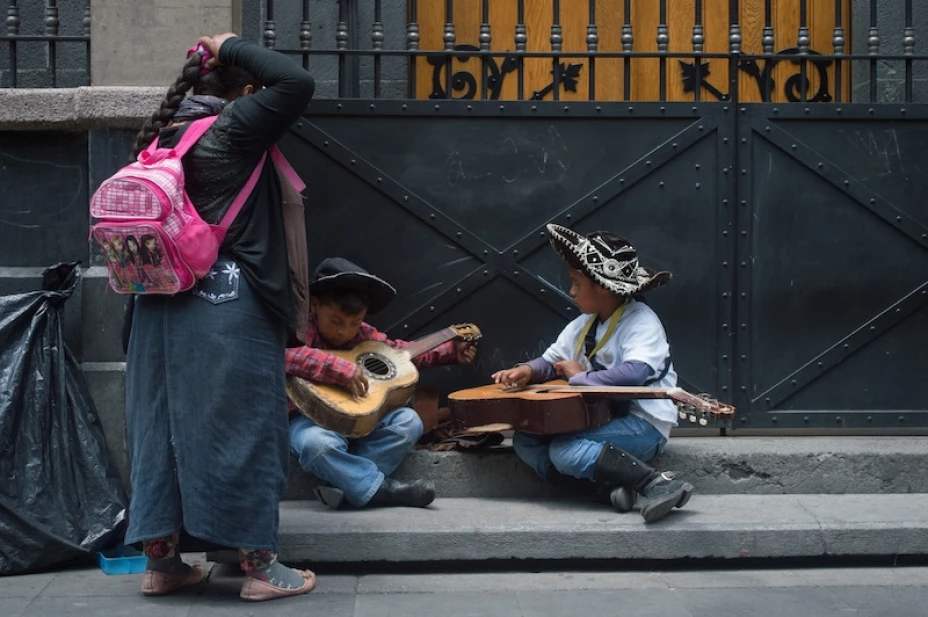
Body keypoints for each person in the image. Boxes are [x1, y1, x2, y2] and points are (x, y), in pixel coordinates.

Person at [123, 32, 317, 601]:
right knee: (245, 427)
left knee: (157, 431)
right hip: (226, 302)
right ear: (247, 92)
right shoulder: (234, 129)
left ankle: (164, 565)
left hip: (155, 304)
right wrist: (231, 42)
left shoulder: (163, 135)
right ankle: (261, 569)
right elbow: (298, 82)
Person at [492, 224, 693, 524]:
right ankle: (606, 491)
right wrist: (527, 370)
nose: (571, 291)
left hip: (644, 424)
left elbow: (635, 374)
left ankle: (657, 483)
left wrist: (578, 377)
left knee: (563, 451)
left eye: (576, 283)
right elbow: (552, 360)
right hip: (604, 419)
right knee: (526, 440)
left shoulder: (641, 320)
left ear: (601, 286)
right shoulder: (586, 323)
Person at [286, 257, 477, 510]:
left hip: (363, 421)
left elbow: (399, 353)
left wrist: (450, 352)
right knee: (316, 445)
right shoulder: (299, 330)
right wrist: (339, 369)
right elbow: (282, 354)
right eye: (336, 322)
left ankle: (346, 485)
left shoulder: (364, 335)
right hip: (309, 420)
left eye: (354, 323)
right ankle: (380, 489)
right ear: (316, 306)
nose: (345, 331)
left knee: (409, 422)